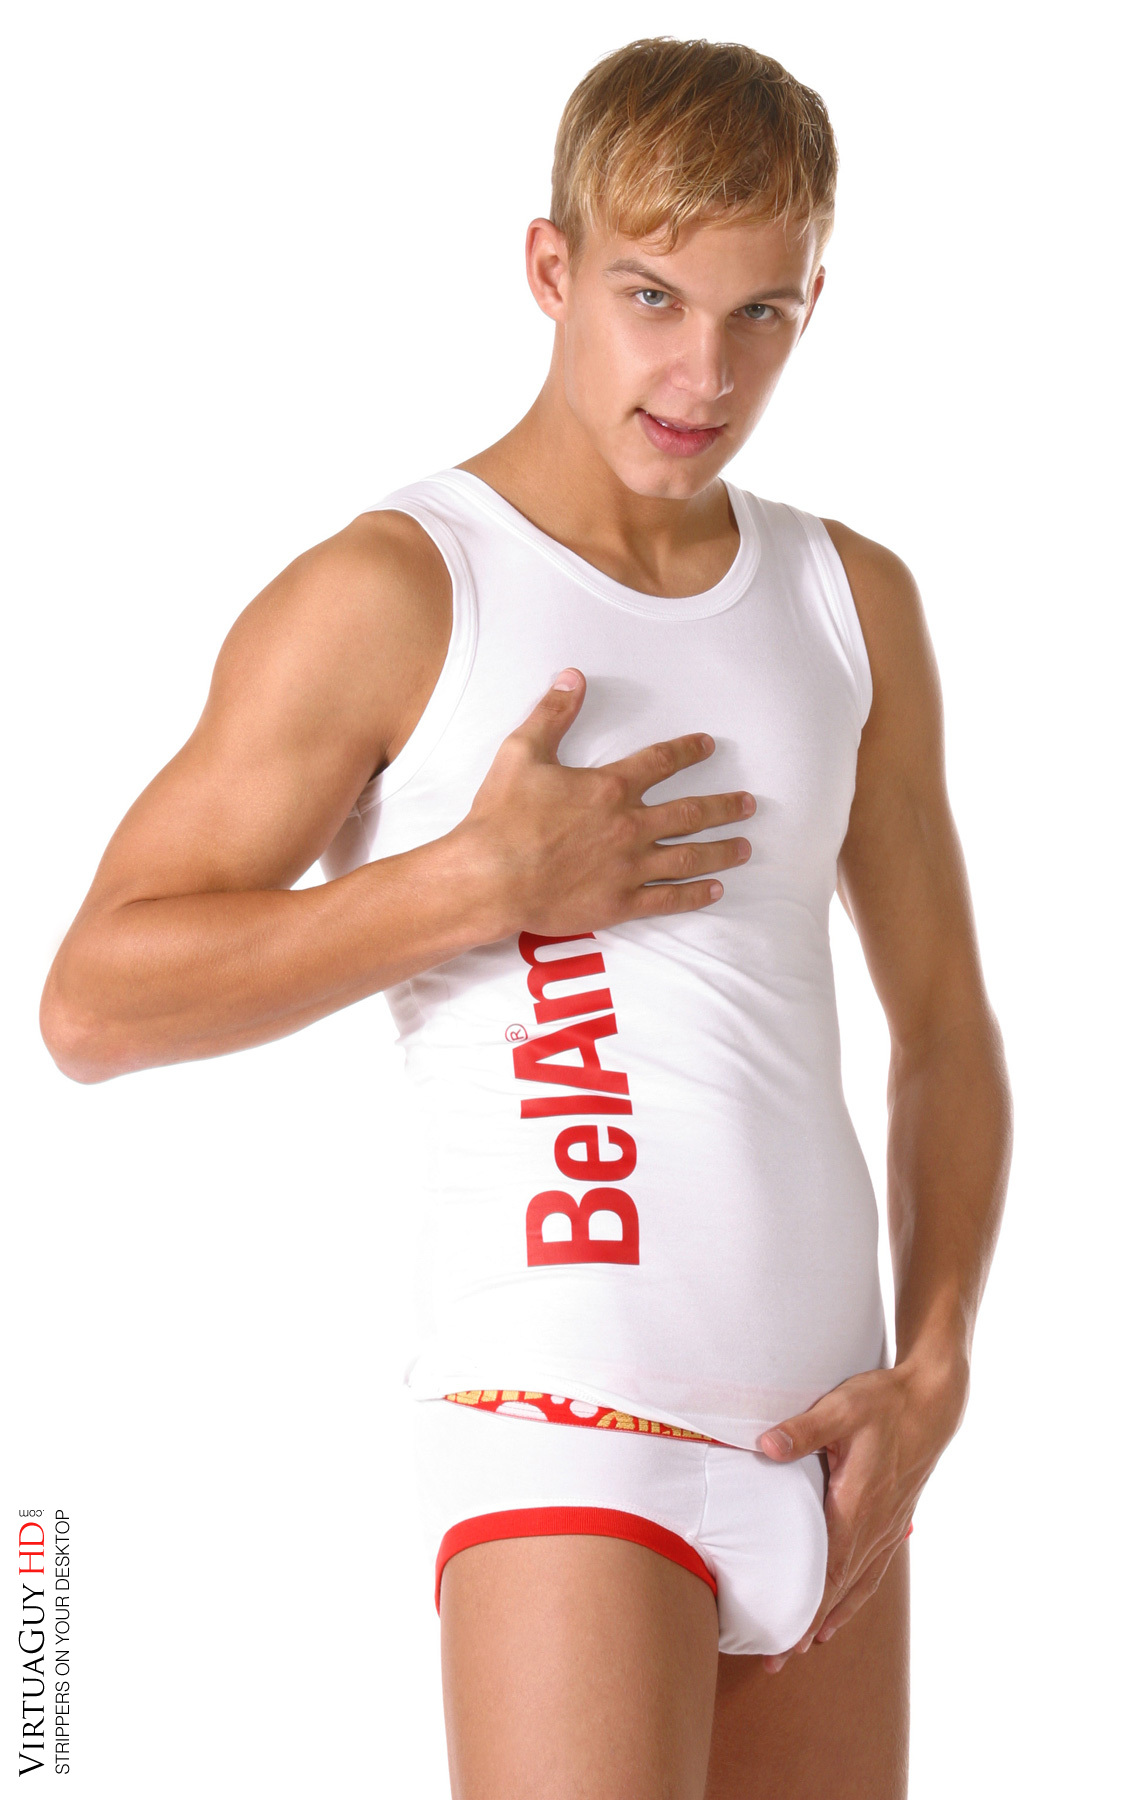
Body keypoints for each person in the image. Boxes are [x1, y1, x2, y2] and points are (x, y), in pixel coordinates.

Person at [40, 34, 1013, 1800]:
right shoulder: (401, 588)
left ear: (813, 302)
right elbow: (93, 1001)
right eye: (653, 298)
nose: (703, 372)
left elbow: (943, 1026)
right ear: (550, 267)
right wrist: (474, 885)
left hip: (832, 1450)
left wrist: (935, 1365)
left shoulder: (848, 600)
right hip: (566, 1433)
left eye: (761, 314)